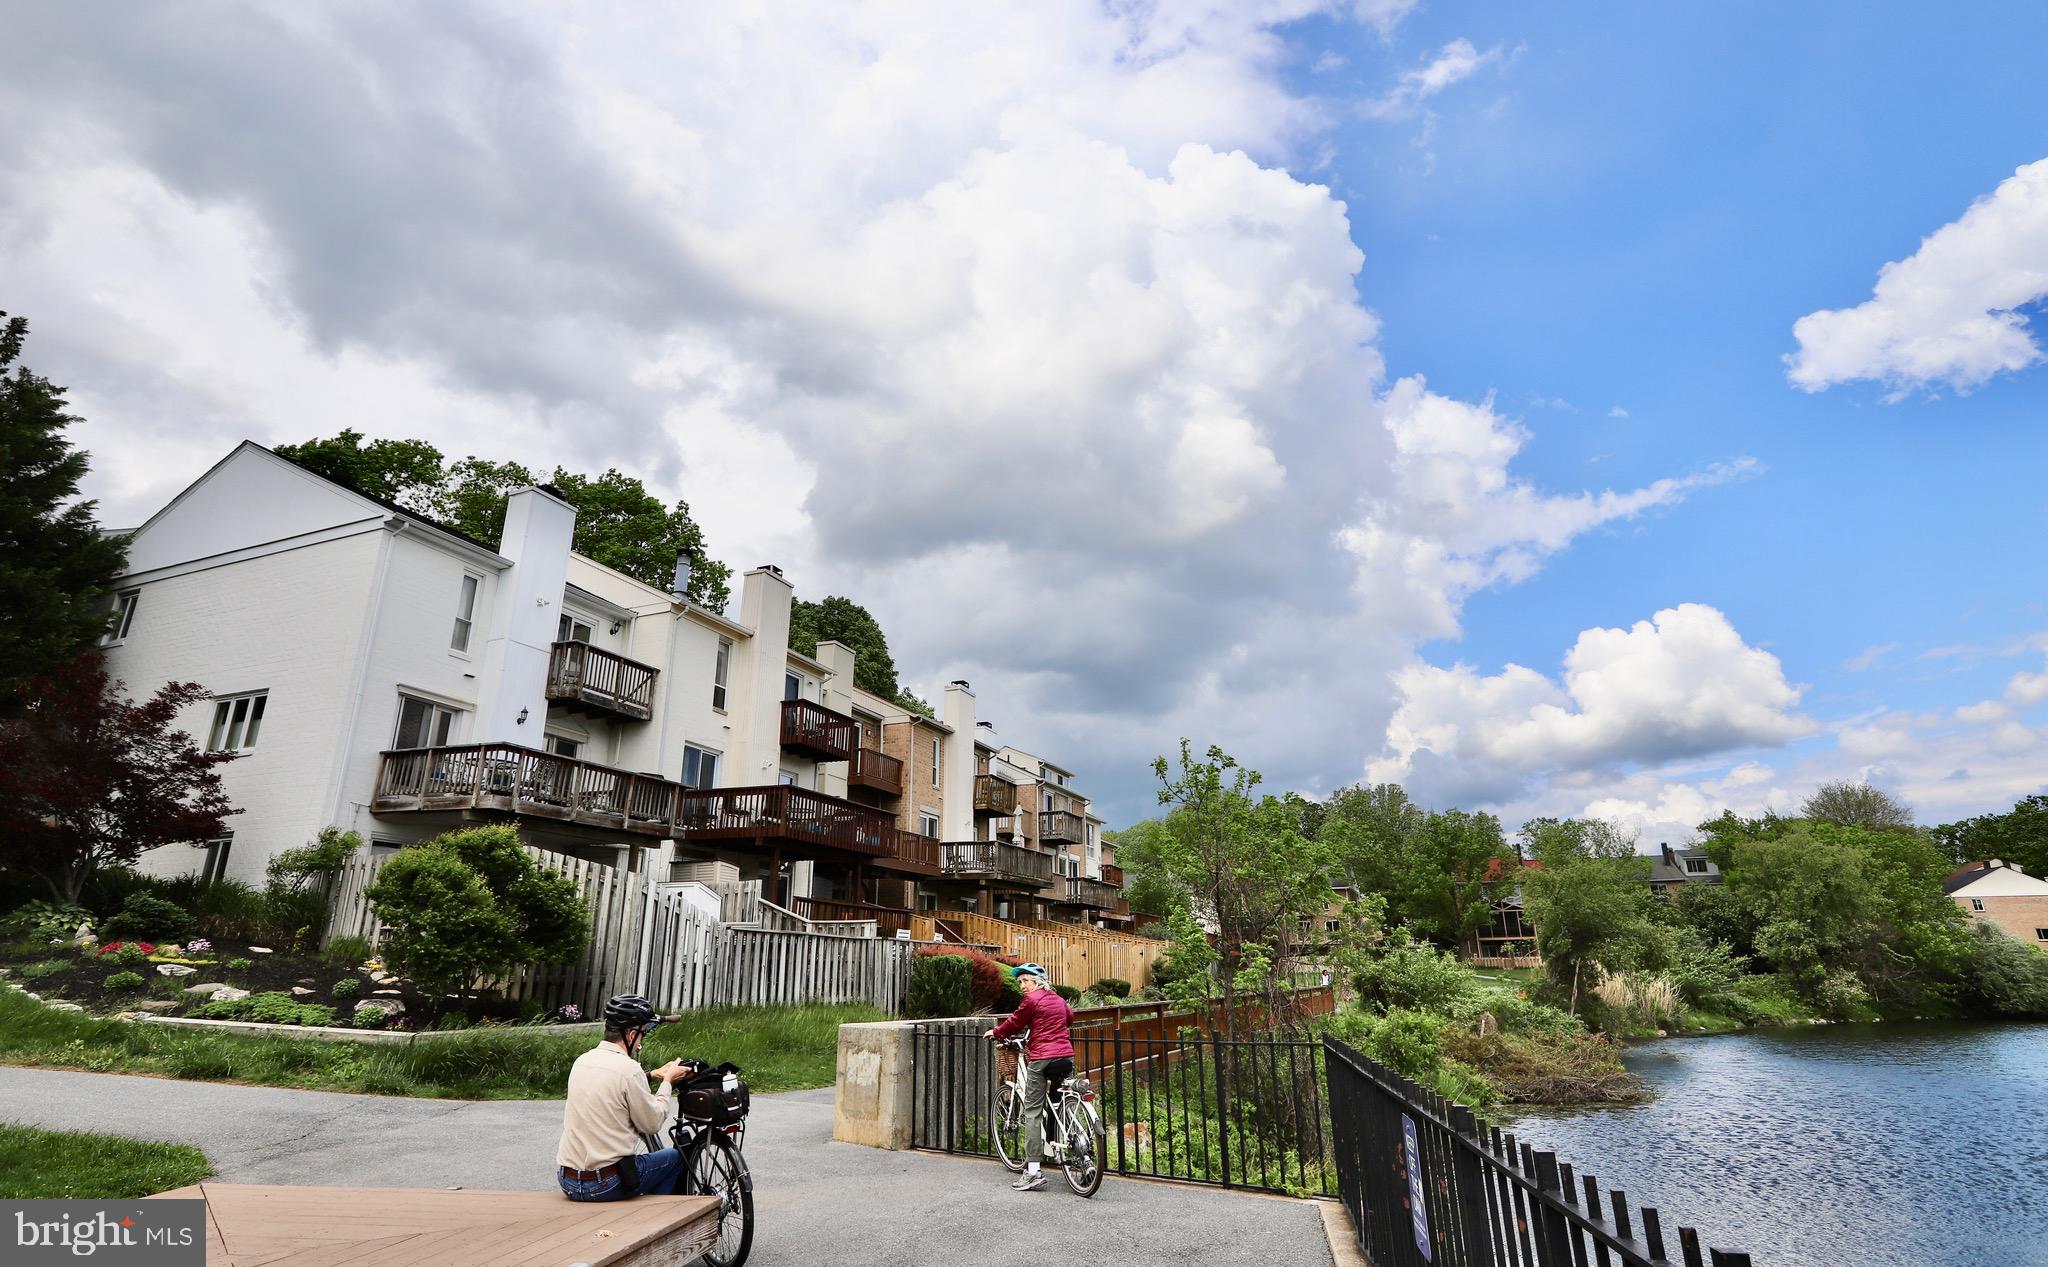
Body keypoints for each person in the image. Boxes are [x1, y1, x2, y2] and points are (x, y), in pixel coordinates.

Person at [556, 993, 696, 1202]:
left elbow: (609, 1083)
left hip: (568, 1182)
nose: (641, 1040)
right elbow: (652, 1123)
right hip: (604, 1185)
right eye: (642, 1035)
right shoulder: (629, 1070)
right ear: (631, 1036)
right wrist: (668, 1081)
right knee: (674, 1159)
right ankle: (659, 1215)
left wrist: (651, 1075)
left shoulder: (582, 1061)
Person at [985, 963, 1075, 1192]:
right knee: (1057, 1101)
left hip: (1042, 1058)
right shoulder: (1059, 999)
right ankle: (1070, 1150)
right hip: (1065, 1056)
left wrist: (996, 1032)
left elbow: (1015, 1022)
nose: (1022, 985)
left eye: (1026, 980)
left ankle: (1033, 1171)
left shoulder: (1032, 1000)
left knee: (1032, 1110)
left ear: (1037, 981)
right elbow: (1069, 1018)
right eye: (1020, 982)